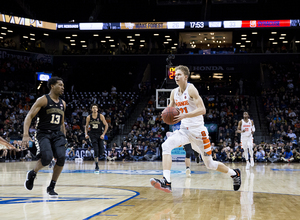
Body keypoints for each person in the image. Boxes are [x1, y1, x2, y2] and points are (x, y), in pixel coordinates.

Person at [150, 65, 241, 193]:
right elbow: (169, 110)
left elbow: (202, 110)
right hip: (184, 131)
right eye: (175, 75)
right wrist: (165, 115)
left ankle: (234, 174)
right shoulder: (174, 93)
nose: (176, 77)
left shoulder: (191, 89)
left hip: (199, 132)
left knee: (210, 165)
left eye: (179, 75)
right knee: (166, 146)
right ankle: (167, 181)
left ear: (185, 77)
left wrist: (184, 115)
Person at [22, 76, 66, 198]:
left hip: (58, 134)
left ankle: (51, 187)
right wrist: (26, 134)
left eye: (63, 85)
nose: (63, 87)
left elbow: (62, 123)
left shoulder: (63, 103)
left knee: (61, 157)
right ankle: (32, 173)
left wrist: (64, 137)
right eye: (60, 85)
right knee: (46, 158)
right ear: (52, 86)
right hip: (43, 133)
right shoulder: (43, 100)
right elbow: (29, 116)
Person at [85, 104, 108, 173]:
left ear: (97, 109)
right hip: (92, 135)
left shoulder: (101, 116)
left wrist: (103, 134)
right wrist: (86, 134)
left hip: (100, 134)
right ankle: (96, 166)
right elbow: (86, 127)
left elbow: (106, 125)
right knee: (96, 149)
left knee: (101, 150)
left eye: (96, 108)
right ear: (91, 109)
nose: (94, 109)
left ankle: (99, 155)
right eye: (93, 108)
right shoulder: (89, 117)